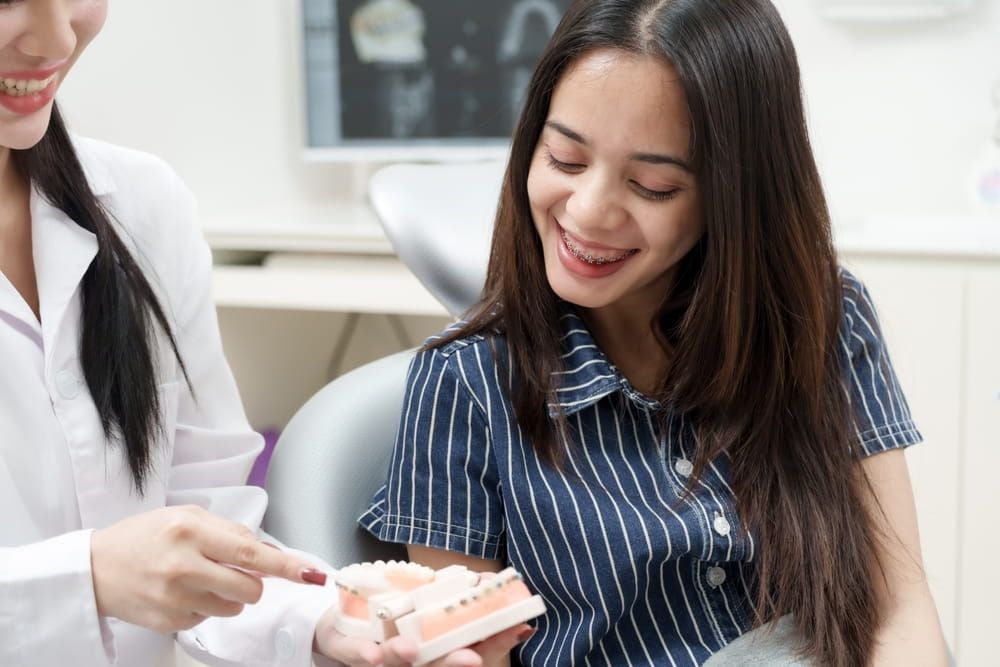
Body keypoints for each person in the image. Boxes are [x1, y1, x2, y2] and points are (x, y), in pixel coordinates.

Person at [359, 0, 950, 665]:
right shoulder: (466, 382)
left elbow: (900, 607)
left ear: (735, 195)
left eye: (652, 185)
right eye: (566, 159)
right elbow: (461, 650)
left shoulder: (824, 320)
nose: (589, 211)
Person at [0, 3, 524, 666]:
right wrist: (88, 576)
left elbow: (210, 522)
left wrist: (330, 620)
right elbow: (117, 569)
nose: (55, 37)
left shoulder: (141, 205)